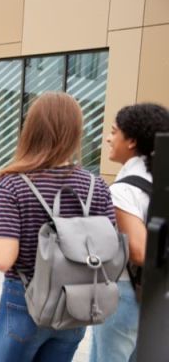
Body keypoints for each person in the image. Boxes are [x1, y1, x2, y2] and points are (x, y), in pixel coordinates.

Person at [0, 92, 115, 362]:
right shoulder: (97, 186)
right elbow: (110, 252)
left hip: (25, 301)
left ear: (31, 129)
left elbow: (3, 257)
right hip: (76, 305)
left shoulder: (13, 183)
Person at [91, 103, 169, 362]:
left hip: (124, 292)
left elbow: (138, 251)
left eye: (114, 132)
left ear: (132, 141)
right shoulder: (159, 181)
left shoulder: (124, 191)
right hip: (154, 294)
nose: (109, 138)